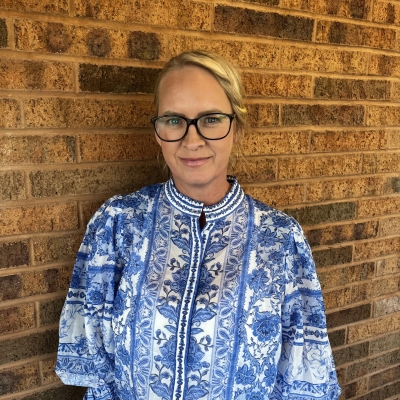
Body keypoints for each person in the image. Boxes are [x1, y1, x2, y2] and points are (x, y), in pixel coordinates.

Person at [56, 50, 341, 400]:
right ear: (158, 132)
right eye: (174, 120)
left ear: (236, 126)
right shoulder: (119, 224)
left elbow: (302, 373)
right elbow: (93, 364)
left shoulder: (280, 239)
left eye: (210, 119)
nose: (192, 141)